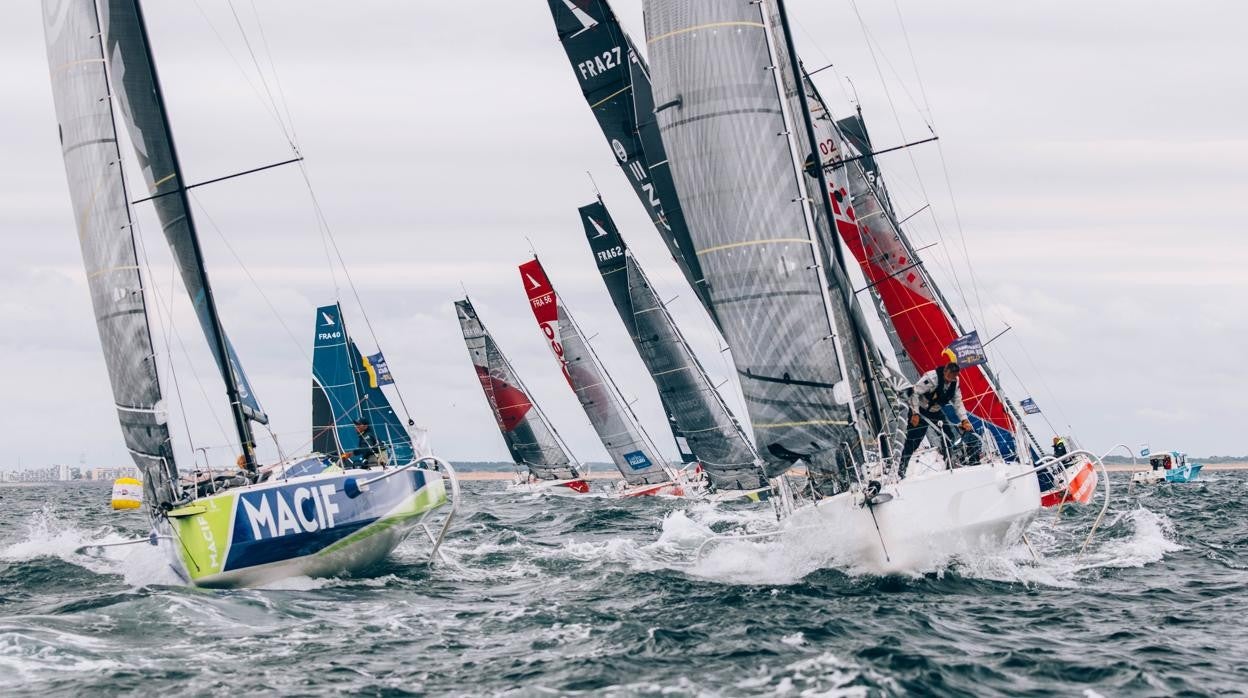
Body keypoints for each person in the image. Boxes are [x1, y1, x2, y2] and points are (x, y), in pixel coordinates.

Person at [899, 362, 982, 477]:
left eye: (952, 378)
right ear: (944, 372)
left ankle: (950, 464)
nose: (949, 381)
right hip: (920, 410)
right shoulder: (931, 377)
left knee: (949, 436)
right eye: (948, 378)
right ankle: (900, 469)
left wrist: (964, 420)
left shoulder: (955, 383)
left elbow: (958, 402)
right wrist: (915, 413)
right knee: (913, 441)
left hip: (935, 411)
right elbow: (914, 392)